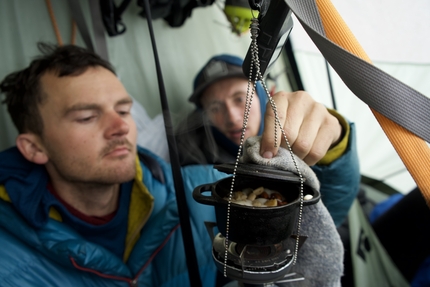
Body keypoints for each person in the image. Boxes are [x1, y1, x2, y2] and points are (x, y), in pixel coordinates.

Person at [0, 43, 352, 286]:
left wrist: (334, 141)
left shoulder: (200, 189)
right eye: (87, 116)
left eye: (123, 110)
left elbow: (310, 223)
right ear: (34, 147)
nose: (122, 126)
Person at [175, 54, 360, 227]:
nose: (231, 117)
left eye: (240, 98)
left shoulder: (292, 136)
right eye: (215, 108)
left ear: (262, 95)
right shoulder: (192, 156)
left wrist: (336, 144)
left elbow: (333, 209)